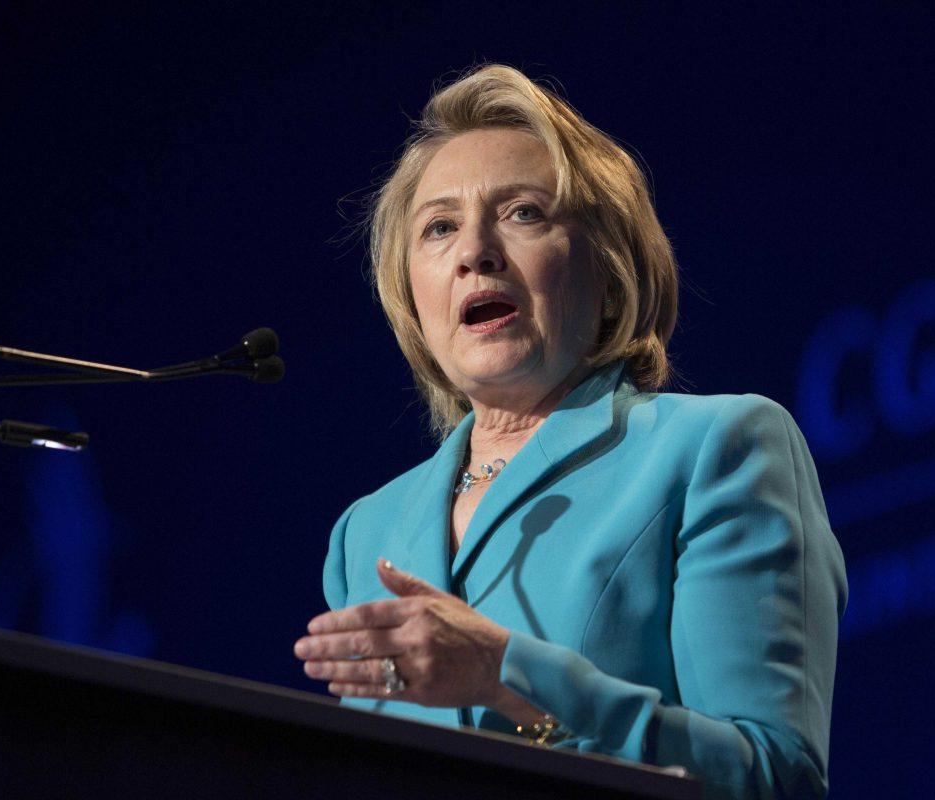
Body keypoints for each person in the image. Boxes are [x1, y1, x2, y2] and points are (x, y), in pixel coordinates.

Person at [293, 64, 847, 800]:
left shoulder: (715, 449)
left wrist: (510, 677)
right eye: (439, 228)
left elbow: (773, 777)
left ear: (611, 270)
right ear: (411, 295)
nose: (474, 252)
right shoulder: (366, 533)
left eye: (522, 213)